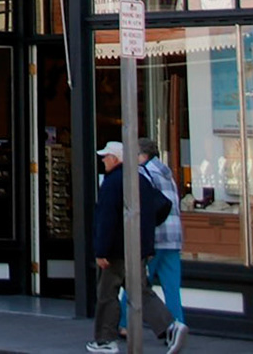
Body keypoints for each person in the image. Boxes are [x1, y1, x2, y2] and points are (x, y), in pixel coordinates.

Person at [89, 140, 187, 354]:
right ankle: (171, 325)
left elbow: (106, 219)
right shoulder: (141, 179)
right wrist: (146, 243)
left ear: (115, 159)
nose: (103, 160)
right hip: (140, 247)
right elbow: (161, 207)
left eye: (106, 156)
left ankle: (105, 339)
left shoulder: (113, 182)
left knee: (107, 292)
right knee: (141, 290)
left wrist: (101, 251)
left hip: (116, 250)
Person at [137, 137, 185, 325]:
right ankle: (177, 323)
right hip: (174, 236)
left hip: (156, 236)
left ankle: (124, 323)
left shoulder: (144, 172)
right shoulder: (167, 174)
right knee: (172, 287)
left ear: (143, 155)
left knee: (137, 284)